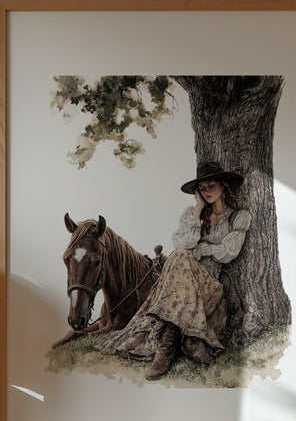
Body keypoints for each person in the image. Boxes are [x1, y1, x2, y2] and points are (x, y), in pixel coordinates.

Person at [98, 161, 251, 381]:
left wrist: (203, 249)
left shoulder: (238, 217)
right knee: (181, 255)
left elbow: (229, 251)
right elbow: (182, 244)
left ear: (224, 186)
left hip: (208, 288)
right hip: (182, 288)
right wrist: (198, 210)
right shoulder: (192, 214)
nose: (206, 191)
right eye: (202, 188)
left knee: (181, 256)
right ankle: (170, 345)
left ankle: (167, 349)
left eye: (211, 185)